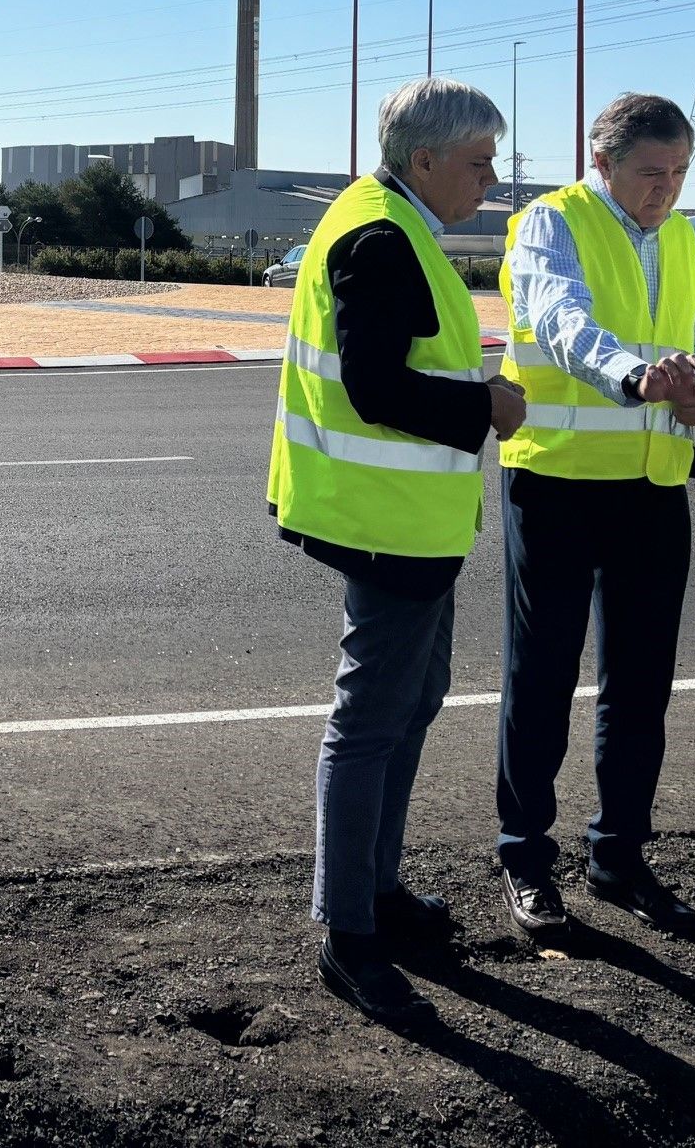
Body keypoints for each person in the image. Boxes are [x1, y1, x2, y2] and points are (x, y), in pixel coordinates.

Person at [268, 74, 524, 1024]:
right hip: (380, 517)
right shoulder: (381, 237)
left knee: (411, 700)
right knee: (372, 721)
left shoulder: (388, 218)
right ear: (425, 160)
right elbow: (376, 388)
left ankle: (376, 893)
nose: (491, 181)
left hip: (399, 515)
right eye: (480, 161)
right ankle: (348, 932)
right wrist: (483, 406)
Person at [491, 93, 695, 945]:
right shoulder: (551, 221)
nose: (666, 189)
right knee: (541, 679)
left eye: (679, 172)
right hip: (556, 482)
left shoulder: (685, 236)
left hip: (655, 484)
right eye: (651, 172)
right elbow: (557, 323)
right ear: (602, 162)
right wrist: (635, 375)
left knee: (640, 684)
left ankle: (620, 855)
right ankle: (526, 859)